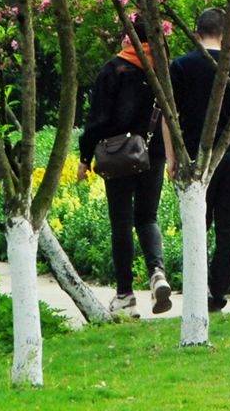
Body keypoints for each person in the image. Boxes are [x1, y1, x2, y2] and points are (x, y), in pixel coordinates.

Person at [168, 7, 230, 313]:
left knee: (198, 226)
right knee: (228, 231)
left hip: (195, 158)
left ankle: (196, 288)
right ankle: (217, 294)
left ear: (197, 33)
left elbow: (168, 116)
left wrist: (171, 158)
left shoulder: (180, 67)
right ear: (226, 36)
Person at [78, 18, 173, 316]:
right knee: (147, 217)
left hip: (117, 154)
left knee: (121, 222)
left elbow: (98, 119)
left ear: (128, 38)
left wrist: (84, 157)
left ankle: (125, 296)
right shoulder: (163, 70)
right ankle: (157, 273)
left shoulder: (113, 70)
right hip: (152, 153)